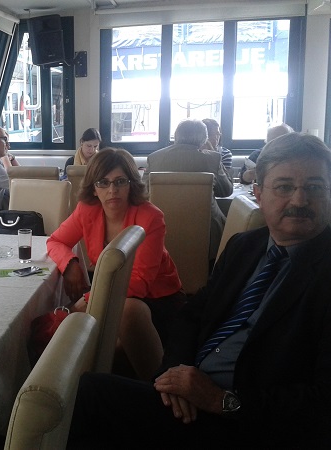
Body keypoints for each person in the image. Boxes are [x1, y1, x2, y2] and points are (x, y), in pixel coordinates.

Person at [67, 132, 331, 448]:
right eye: (284, 187)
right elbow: (193, 314)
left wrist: (222, 400)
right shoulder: (245, 246)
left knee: (90, 397)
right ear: (258, 194)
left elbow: (322, 402)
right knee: (85, 388)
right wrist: (174, 373)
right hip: (193, 393)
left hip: (250, 421)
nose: (299, 201)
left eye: (315, 187)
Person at [47, 148, 184, 380]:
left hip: (158, 301)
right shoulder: (87, 210)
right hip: (113, 294)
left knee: (97, 346)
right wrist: (71, 264)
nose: (112, 190)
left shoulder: (150, 216)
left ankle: (156, 388)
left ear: (131, 184)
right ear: (94, 188)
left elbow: (139, 283)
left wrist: (88, 299)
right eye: (103, 182)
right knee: (82, 348)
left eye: (120, 181)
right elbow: (56, 241)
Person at [145, 119, 233, 262]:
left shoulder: (154, 158)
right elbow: (226, 191)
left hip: (162, 229)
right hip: (209, 233)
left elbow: (143, 192)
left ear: (176, 136)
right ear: (204, 139)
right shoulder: (213, 158)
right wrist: (214, 153)